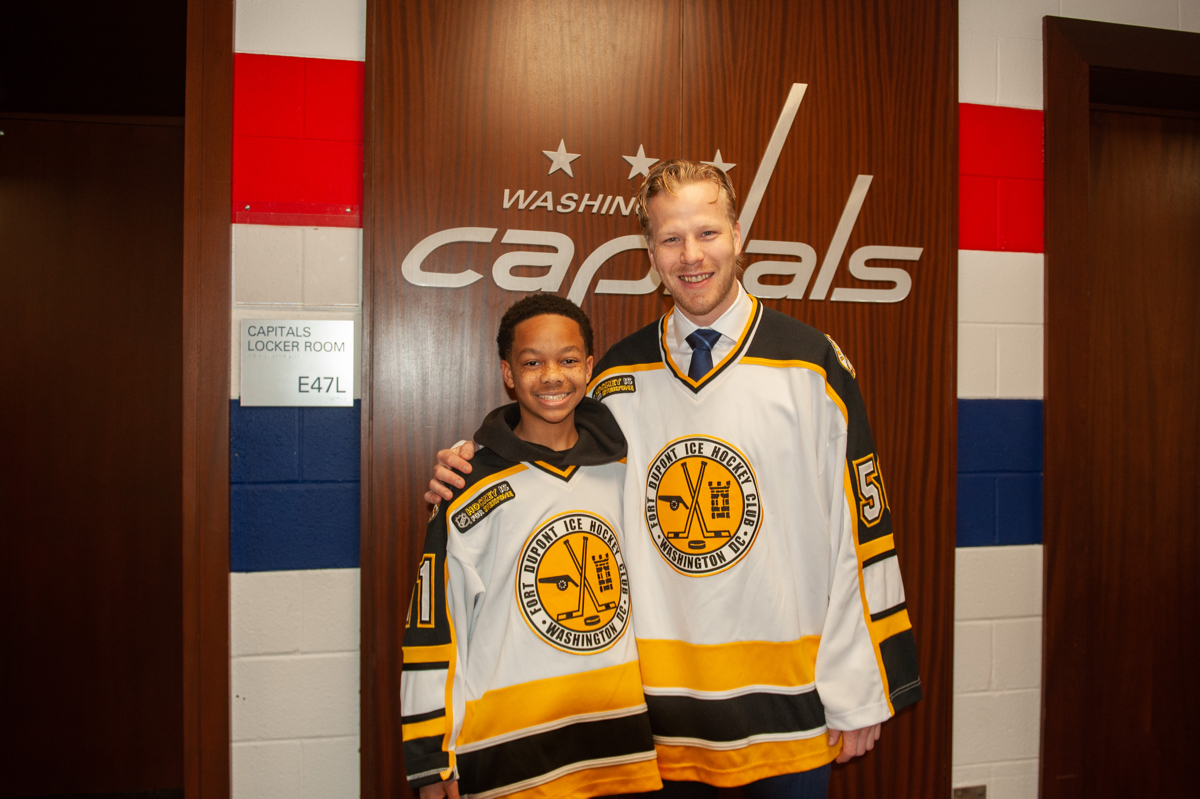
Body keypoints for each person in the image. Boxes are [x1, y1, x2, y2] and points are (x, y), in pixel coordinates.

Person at [426, 161, 921, 798]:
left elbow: (861, 535)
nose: (691, 256)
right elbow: (547, 476)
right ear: (650, 252)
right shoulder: (615, 376)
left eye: (707, 233)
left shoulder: (811, 365)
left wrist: (859, 687)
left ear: (739, 236)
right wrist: (469, 468)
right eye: (670, 239)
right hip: (653, 725)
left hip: (789, 714)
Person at [402, 295, 662, 799]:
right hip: (508, 754)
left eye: (567, 360)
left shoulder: (627, 470)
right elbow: (435, 629)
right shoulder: (467, 486)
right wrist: (429, 760)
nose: (551, 376)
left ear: (588, 367)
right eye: (532, 362)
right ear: (507, 372)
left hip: (619, 746)